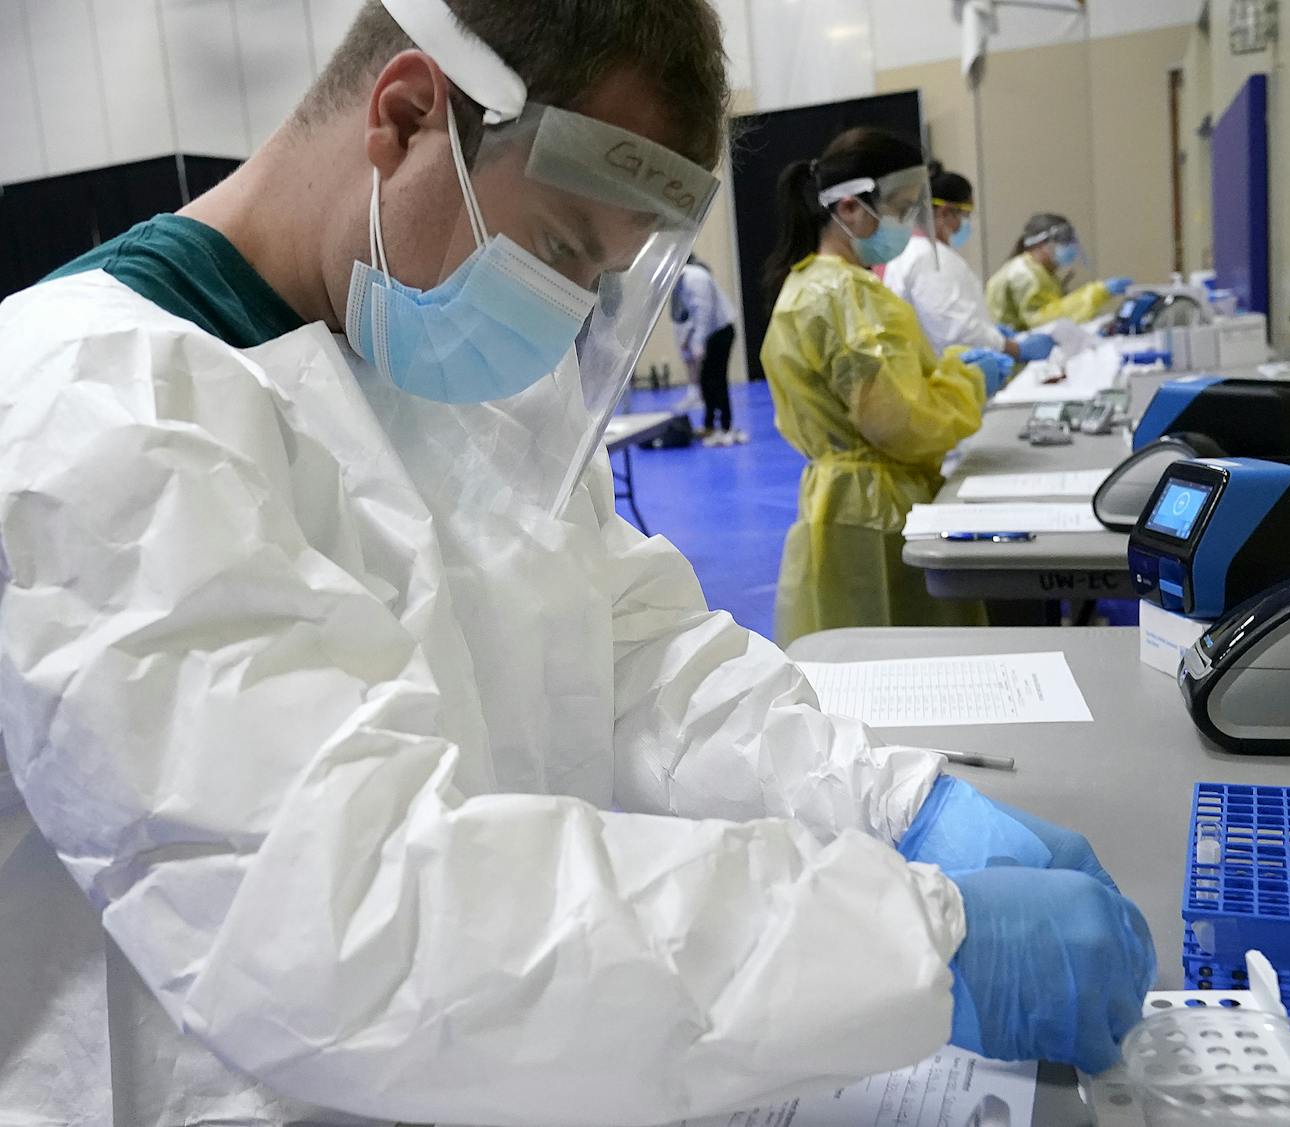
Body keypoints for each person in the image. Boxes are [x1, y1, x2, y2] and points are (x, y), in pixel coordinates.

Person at [0, 2, 1154, 1124]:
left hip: (500, 1048)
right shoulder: (94, 409)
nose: (558, 315)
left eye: (595, 277)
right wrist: (916, 945)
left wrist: (901, 805)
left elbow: (633, 654)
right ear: (405, 118)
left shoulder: (423, 344)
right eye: (558, 244)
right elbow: (348, 918)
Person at [761, 129, 1004, 647]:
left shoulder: (805, 285)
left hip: (836, 507)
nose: (907, 224)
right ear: (849, 208)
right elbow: (903, 425)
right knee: (908, 664)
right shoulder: (849, 296)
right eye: (899, 208)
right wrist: (969, 381)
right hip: (880, 512)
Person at [884, 163, 1055, 364]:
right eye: (966, 214)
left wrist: (992, 332)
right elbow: (957, 330)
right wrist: (1015, 348)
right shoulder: (931, 258)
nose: (967, 222)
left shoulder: (912, 253)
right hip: (946, 371)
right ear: (945, 212)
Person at [986, 212, 1133, 332]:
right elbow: (1042, 321)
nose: (1069, 246)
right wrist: (1096, 293)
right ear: (1039, 243)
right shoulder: (1024, 274)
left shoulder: (1039, 272)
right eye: (1063, 240)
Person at [671, 253, 742, 445]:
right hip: (710, 333)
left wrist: (698, 343)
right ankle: (709, 425)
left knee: (717, 380)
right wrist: (687, 338)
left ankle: (726, 428)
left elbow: (704, 313)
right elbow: (689, 314)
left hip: (720, 332)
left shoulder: (695, 279)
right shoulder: (681, 283)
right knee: (706, 381)